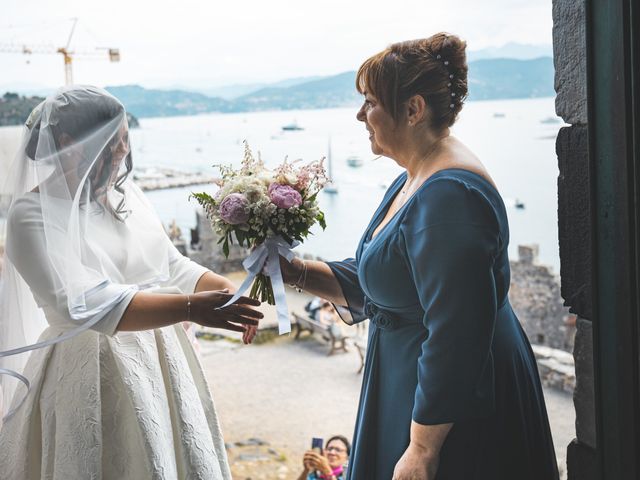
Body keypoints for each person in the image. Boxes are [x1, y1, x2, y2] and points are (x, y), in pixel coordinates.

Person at [281, 33, 559, 479]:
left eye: (370, 101)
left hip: (447, 412)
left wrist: (423, 448)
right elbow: (390, 280)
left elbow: (456, 333)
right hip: (412, 388)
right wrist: (291, 271)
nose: (360, 114)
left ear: (413, 109)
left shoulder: (449, 197)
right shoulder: (417, 174)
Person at [0, 86, 263, 479]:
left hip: (162, 357)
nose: (124, 148)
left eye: (126, 136)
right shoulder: (30, 215)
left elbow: (172, 265)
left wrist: (225, 289)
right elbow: (84, 304)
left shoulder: (126, 198)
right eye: (114, 139)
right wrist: (192, 308)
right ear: (71, 144)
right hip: (89, 367)